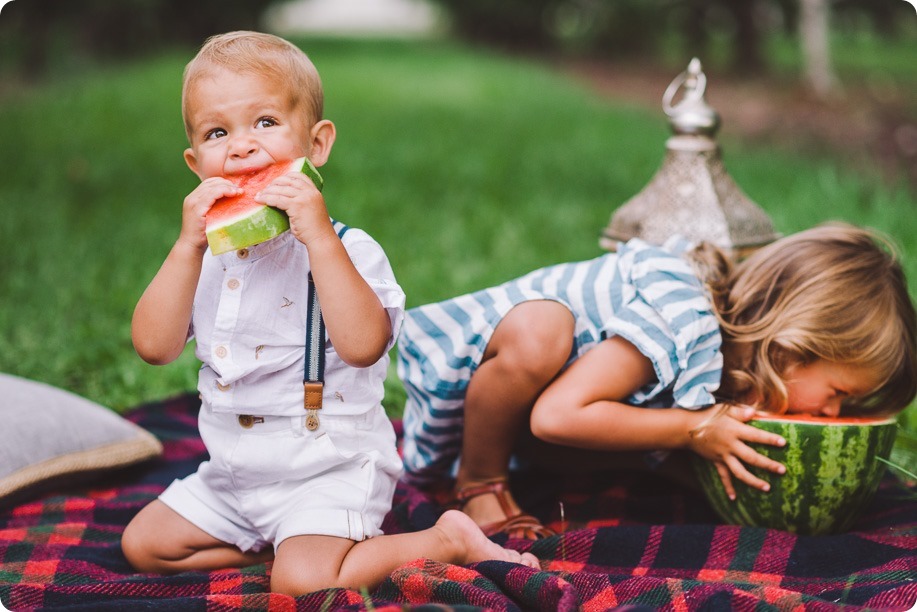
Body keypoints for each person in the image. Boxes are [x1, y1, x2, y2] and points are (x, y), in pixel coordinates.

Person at [121, 31, 538, 595]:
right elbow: (153, 346)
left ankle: (444, 540)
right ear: (197, 164)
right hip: (235, 473)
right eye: (218, 133)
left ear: (316, 145)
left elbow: (364, 344)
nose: (242, 147)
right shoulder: (203, 259)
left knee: (302, 586)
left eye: (265, 123)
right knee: (143, 545)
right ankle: (279, 550)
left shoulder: (350, 249)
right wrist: (184, 247)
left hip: (326, 471)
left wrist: (317, 237)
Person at [398, 223, 917, 539]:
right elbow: (556, 416)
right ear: (792, 345)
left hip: (538, 426)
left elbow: (630, 434)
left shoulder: (721, 367)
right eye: (839, 395)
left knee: (647, 438)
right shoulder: (682, 317)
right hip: (467, 396)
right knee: (542, 331)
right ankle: (479, 483)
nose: (832, 417)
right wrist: (693, 431)